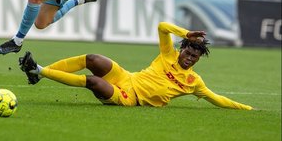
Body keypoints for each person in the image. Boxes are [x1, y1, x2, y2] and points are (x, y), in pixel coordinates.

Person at [18, 22, 253, 110]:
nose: (190, 58)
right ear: (182, 49)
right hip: (127, 78)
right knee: (93, 58)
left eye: (195, 57)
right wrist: (185, 33)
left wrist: (246, 109)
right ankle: (39, 73)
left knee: (92, 81)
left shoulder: (194, 82)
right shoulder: (168, 53)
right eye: (189, 52)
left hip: (130, 97)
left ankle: (38, 70)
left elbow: (217, 99)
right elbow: (162, 27)